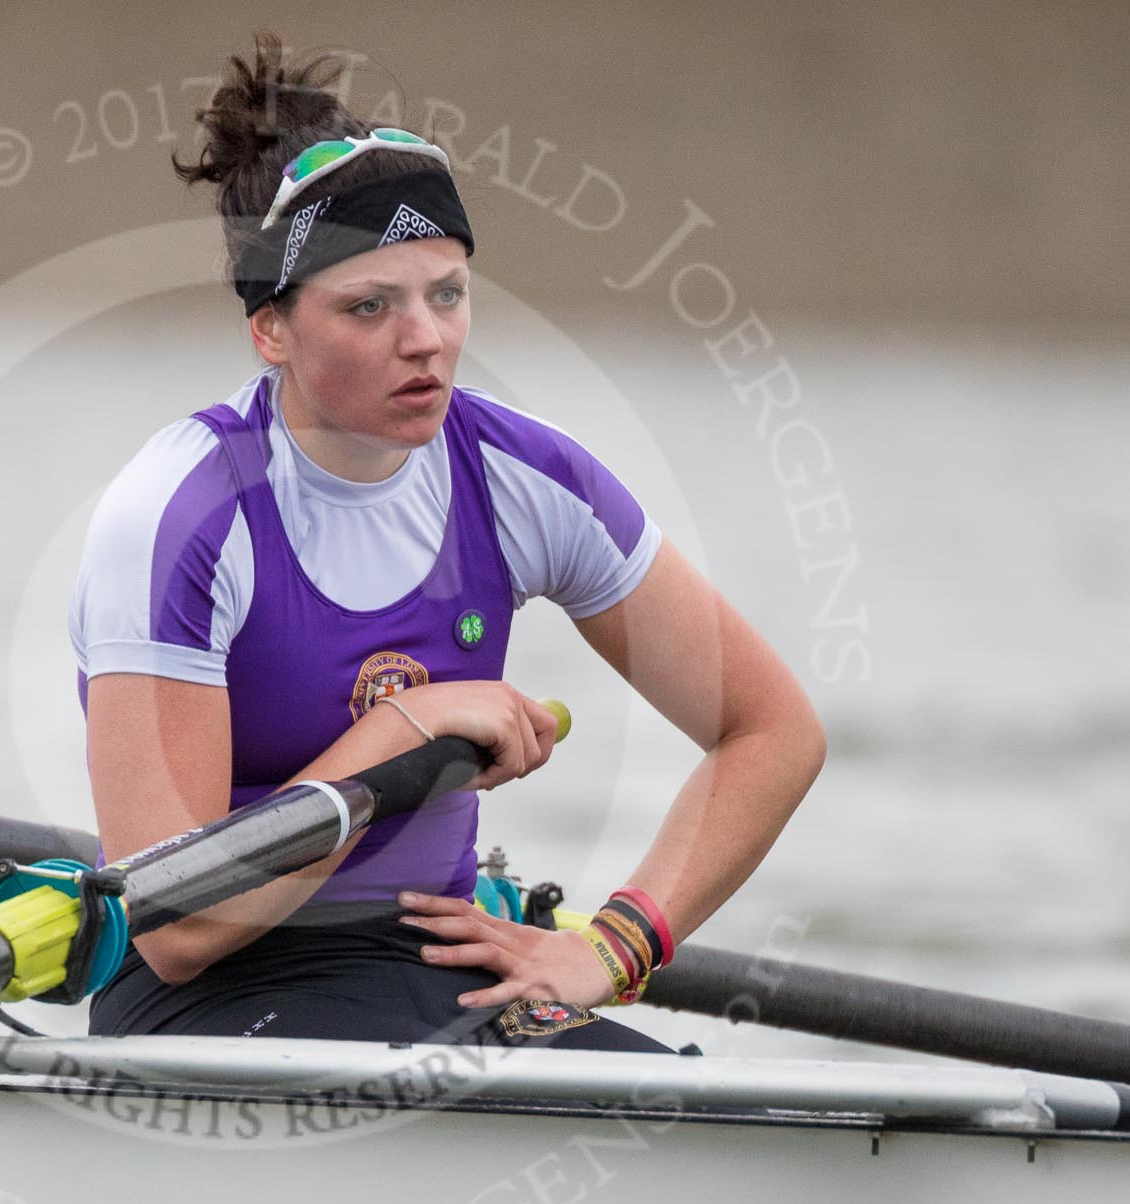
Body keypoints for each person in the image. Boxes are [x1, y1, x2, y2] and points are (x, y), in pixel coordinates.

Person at [70, 38, 826, 1049]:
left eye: (446, 292)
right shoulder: (178, 515)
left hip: (437, 962)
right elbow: (178, 922)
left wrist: (614, 944)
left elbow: (771, 731)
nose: (425, 337)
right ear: (272, 331)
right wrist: (405, 728)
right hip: (208, 994)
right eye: (369, 306)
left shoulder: (524, 478)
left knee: (680, 1095)